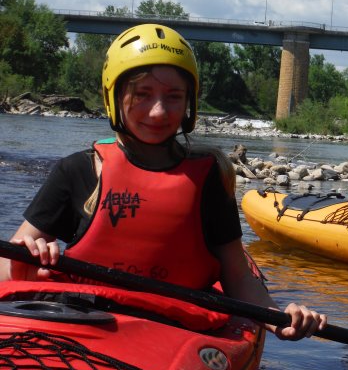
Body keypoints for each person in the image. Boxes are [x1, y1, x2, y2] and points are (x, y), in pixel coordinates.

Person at [0, 23, 327, 340]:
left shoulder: (209, 176)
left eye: (173, 96)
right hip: (84, 321)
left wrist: (278, 318)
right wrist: (23, 262)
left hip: (176, 330)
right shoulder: (77, 171)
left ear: (189, 102)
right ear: (113, 97)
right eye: (142, 94)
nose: (158, 111)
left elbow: (237, 276)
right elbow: (6, 266)